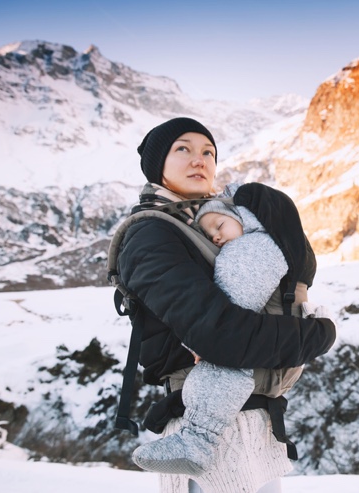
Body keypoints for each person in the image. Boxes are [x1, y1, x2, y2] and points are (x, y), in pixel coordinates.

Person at [116, 117, 336, 493]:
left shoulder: (217, 222)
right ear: (158, 165)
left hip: (255, 423)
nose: (199, 160)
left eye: (208, 152)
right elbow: (222, 336)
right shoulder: (150, 234)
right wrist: (314, 336)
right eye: (182, 149)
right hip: (204, 426)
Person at [131, 188, 294, 478]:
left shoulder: (253, 249)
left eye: (219, 226)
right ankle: (196, 441)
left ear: (244, 217)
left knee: (222, 370)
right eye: (210, 236)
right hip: (256, 396)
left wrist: (199, 338)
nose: (216, 237)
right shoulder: (246, 247)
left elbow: (229, 310)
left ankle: (197, 441)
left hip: (243, 397)